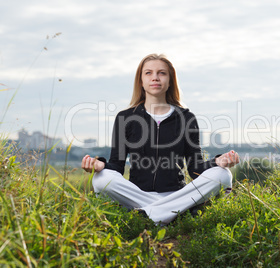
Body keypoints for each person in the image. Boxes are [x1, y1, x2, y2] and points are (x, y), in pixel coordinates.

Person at [81, 53, 239, 225]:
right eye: (148, 73)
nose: (155, 78)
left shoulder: (186, 118)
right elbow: (116, 167)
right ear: (141, 81)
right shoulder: (125, 118)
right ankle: (172, 214)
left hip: (175, 195)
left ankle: (146, 215)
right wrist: (100, 165)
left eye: (161, 73)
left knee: (223, 175)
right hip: (137, 195)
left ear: (170, 81)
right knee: (101, 178)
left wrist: (218, 162)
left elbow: (195, 168)